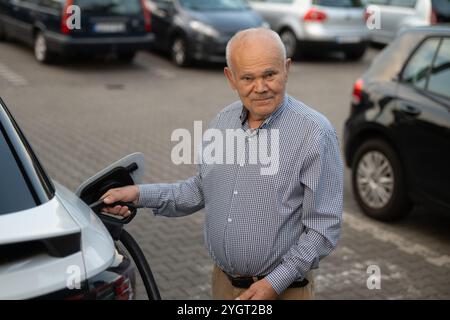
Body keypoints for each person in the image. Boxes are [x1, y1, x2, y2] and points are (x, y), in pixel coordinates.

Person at [100, 28, 344, 300]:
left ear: (286, 69)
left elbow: (323, 228)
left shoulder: (314, 133)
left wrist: (274, 283)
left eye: (270, 74)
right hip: (223, 285)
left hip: (284, 291)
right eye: (248, 78)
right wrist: (138, 195)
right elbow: (200, 189)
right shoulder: (223, 122)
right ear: (231, 78)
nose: (260, 87)